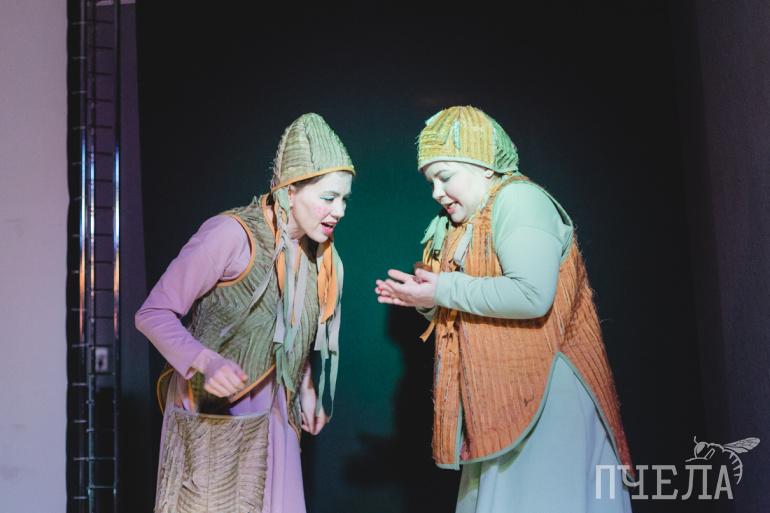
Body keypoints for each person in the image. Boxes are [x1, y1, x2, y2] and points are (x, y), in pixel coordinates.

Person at [375, 106, 635, 512]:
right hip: (498, 402)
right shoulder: (460, 224)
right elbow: (467, 303)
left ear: (484, 166)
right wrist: (427, 300)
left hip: (546, 401)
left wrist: (443, 289)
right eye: (431, 182)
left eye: (445, 176)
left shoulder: (519, 200)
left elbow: (531, 295)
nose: (436, 192)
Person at [135, 113, 354, 513]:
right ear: (289, 190)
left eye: (344, 199)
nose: (338, 210)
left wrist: (305, 387)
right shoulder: (231, 235)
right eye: (328, 197)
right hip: (217, 420)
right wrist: (205, 362)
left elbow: (291, 330)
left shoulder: (314, 253)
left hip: (274, 420)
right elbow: (153, 313)